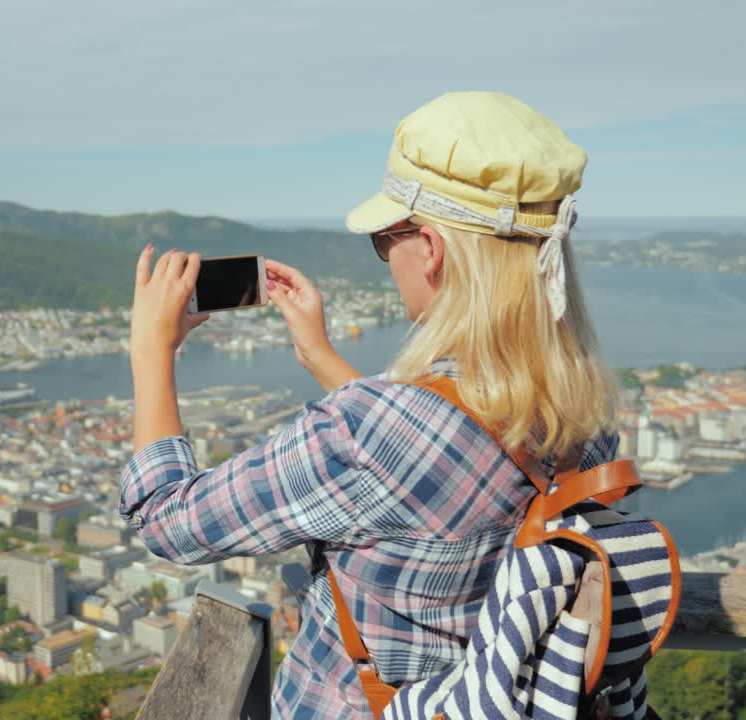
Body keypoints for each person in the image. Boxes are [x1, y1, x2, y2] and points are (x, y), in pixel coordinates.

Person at [119, 91, 621, 719]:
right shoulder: (585, 419)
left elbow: (167, 521)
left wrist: (150, 352)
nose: (387, 259)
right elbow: (436, 454)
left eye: (386, 240)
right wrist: (320, 356)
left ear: (430, 248)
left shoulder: (368, 431)